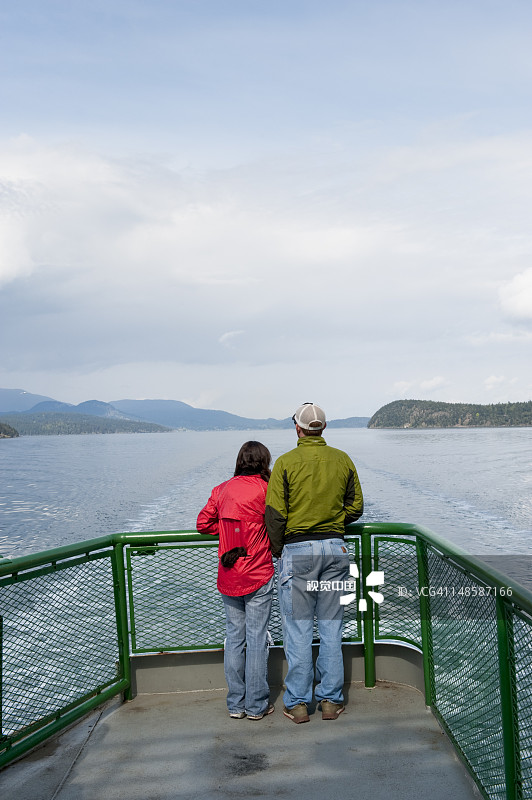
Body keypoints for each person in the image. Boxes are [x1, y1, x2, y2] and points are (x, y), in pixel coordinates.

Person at [265, 403, 363, 724]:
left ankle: (297, 703)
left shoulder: (285, 463)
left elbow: (275, 515)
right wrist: (334, 522)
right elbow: (356, 506)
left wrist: (279, 551)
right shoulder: (342, 459)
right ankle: (331, 701)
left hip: (298, 552)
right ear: (323, 428)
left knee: (298, 630)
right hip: (335, 548)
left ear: (298, 428)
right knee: (332, 626)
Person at [197, 441, 275, 721]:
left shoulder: (221, 490)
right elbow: (279, 523)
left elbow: (203, 524)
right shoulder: (267, 489)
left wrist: (231, 528)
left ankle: (235, 705)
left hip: (229, 574)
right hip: (258, 572)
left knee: (234, 639)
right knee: (256, 641)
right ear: (264, 462)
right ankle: (256, 706)